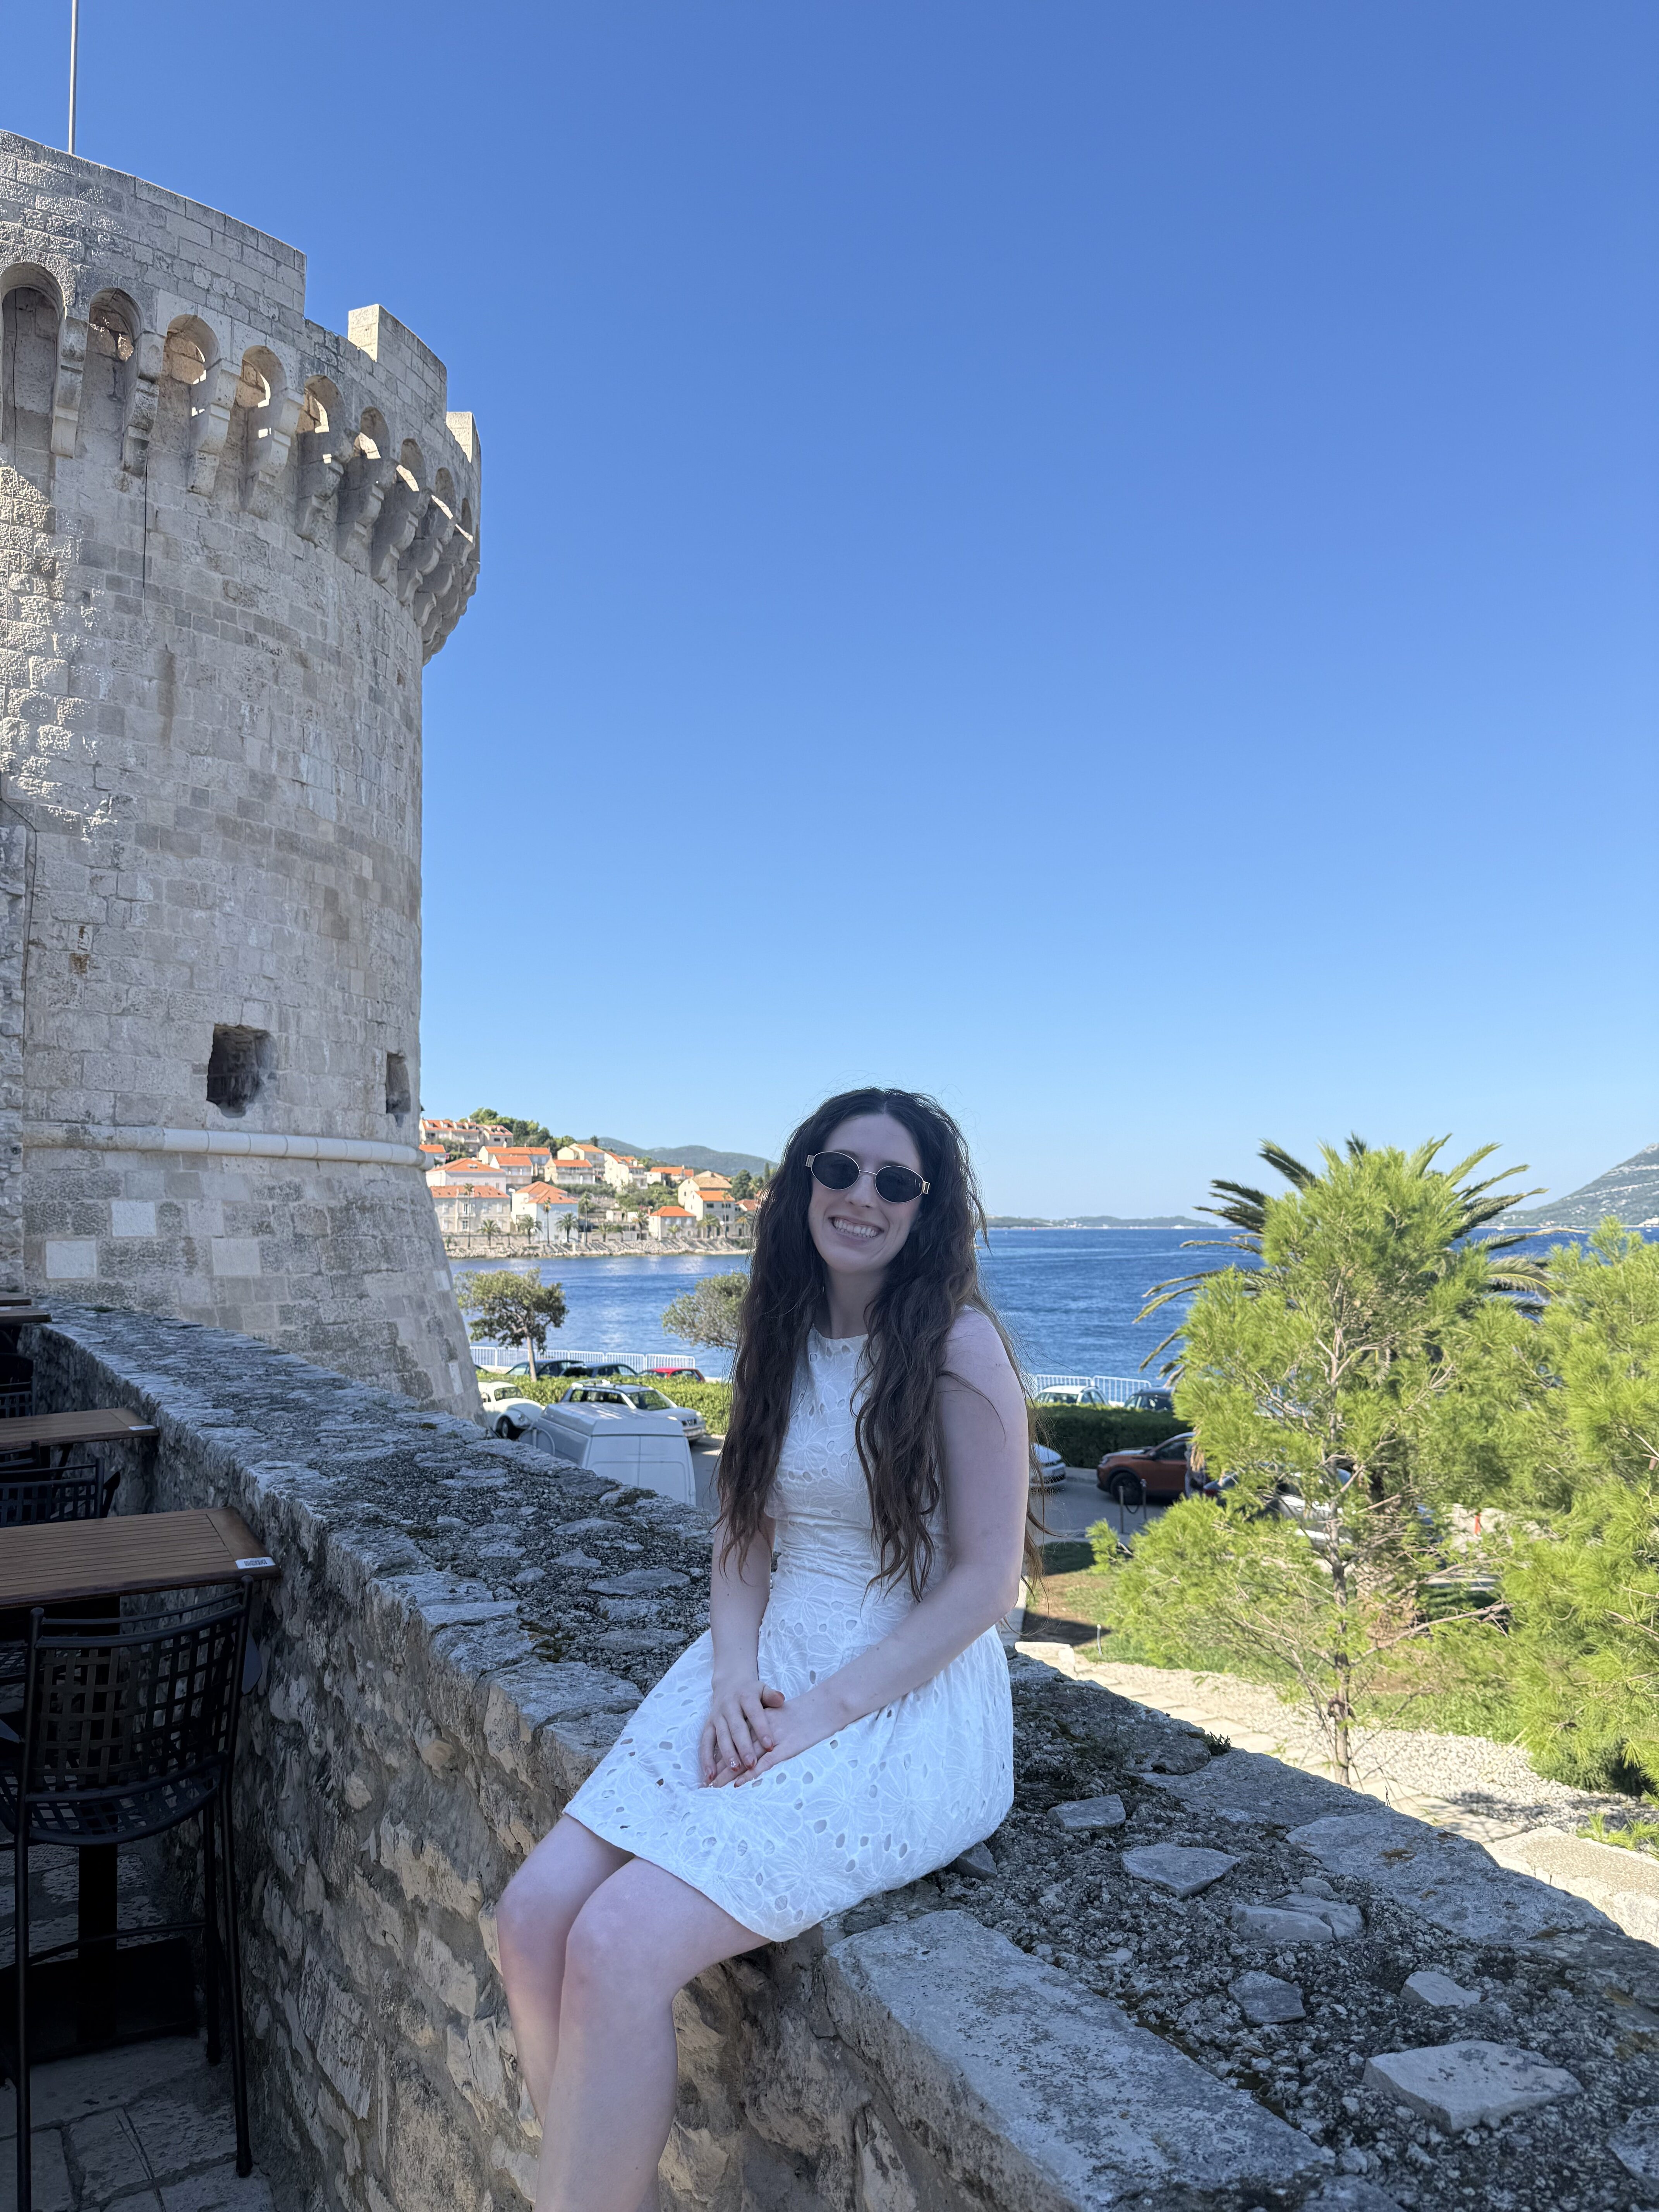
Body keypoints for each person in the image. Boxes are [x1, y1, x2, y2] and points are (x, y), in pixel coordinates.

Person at [495, 1087, 1030, 2212]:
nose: (862, 1198)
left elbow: (985, 1580)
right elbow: (742, 1530)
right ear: (800, 1184)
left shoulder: (957, 1345)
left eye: (896, 1182)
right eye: (839, 1170)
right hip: (763, 1658)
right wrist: (734, 1672)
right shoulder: (778, 1330)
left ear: (926, 1211)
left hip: (898, 1693)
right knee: (533, 1919)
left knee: (622, 1944)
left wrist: (824, 1711)